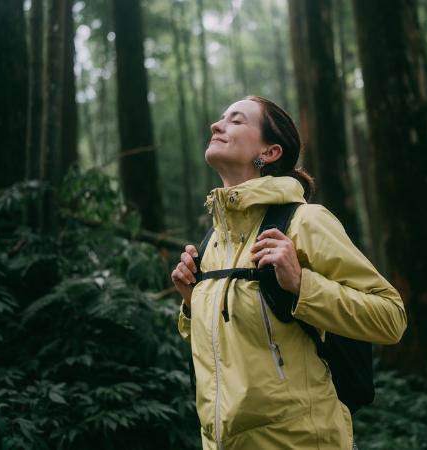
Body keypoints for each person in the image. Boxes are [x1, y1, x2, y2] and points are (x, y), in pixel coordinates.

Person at [170, 95, 407, 450]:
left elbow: (391, 317)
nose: (216, 126)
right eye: (221, 118)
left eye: (236, 120)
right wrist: (193, 302)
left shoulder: (305, 221)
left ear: (270, 152)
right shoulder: (212, 243)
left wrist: (301, 285)